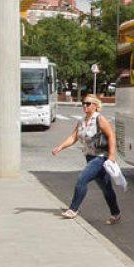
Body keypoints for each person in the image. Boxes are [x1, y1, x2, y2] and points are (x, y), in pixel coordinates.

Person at [52, 93, 121, 224]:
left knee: (81, 179)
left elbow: (111, 135)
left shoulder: (99, 119)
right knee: (106, 188)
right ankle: (116, 213)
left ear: (95, 106)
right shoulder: (81, 121)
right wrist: (60, 147)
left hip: (100, 158)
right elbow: (73, 137)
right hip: (90, 157)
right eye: (83, 103)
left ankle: (73, 209)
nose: (85, 106)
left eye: (88, 104)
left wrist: (111, 155)